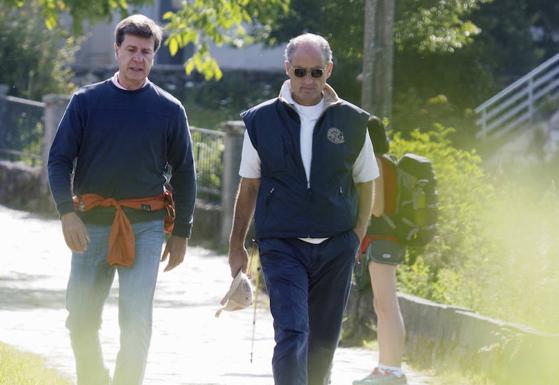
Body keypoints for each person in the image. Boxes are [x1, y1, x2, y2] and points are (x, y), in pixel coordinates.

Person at [47, 14, 196, 385]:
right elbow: (58, 161)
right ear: (117, 50)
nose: (137, 58)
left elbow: (185, 174)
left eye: (146, 52)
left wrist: (181, 233)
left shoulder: (169, 109)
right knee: (80, 317)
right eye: (130, 49)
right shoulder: (86, 102)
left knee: (135, 318)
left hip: (145, 226)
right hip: (90, 223)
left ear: (153, 57)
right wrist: (67, 214)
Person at [227, 33, 379, 385]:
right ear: (287, 70)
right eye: (300, 71)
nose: (308, 80)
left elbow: (366, 181)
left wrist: (356, 236)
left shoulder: (353, 122)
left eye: (315, 72)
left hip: (336, 246)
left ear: (328, 71)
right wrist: (237, 245)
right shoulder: (261, 120)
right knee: (293, 331)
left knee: (323, 342)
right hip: (282, 244)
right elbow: (248, 185)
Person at [353, 117, 407, 385]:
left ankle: (393, 371)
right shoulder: (382, 162)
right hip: (381, 241)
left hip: (383, 241)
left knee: (387, 305)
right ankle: (386, 368)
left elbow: (377, 209)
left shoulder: (375, 162)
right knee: (382, 305)